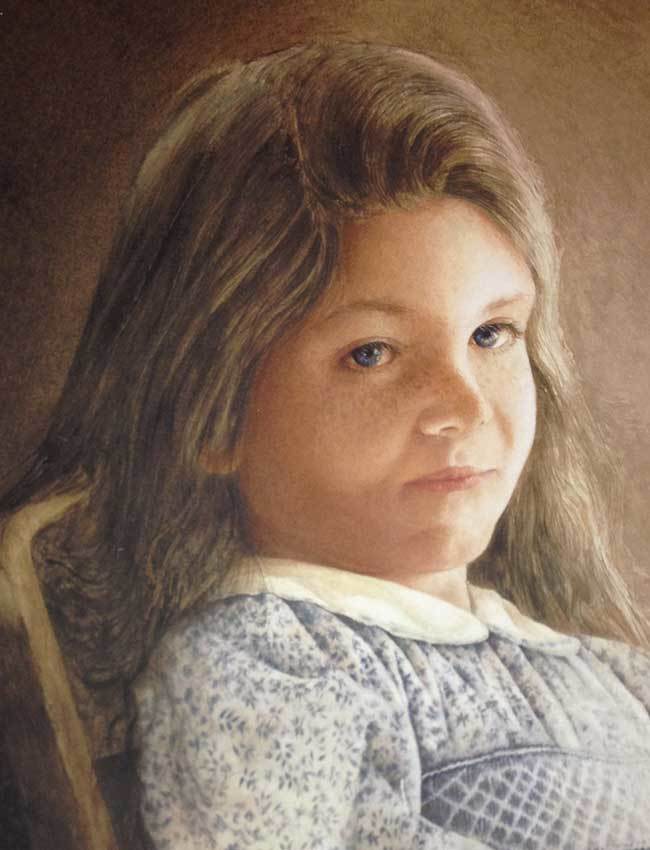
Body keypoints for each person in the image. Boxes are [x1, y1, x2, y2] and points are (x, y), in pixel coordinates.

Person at [2, 41, 650, 849]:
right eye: (372, 353)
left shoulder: (606, 671)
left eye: (491, 334)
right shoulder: (262, 667)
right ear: (214, 413)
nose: (464, 405)